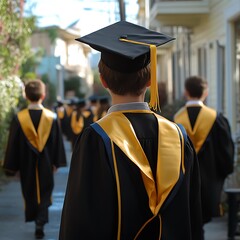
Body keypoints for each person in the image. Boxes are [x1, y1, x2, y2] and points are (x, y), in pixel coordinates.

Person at [59, 21, 202, 240]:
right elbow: (193, 215)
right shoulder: (179, 137)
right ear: (150, 80)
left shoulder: (96, 138)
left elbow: (80, 219)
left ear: (103, 81)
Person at [3, 79, 67, 239]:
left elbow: (13, 143)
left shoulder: (19, 118)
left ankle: (36, 218)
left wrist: (13, 167)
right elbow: (56, 142)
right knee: (46, 190)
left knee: (29, 189)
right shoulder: (51, 117)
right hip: (46, 162)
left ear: (26, 96)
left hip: (26, 163)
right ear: (43, 96)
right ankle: (41, 220)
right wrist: (56, 162)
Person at [174, 75, 234, 239]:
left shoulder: (175, 121)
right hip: (209, 184)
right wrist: (222, 173)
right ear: (205, 93)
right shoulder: (216, 119)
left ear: (186, 92)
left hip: (183, 183)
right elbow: (226, 155)